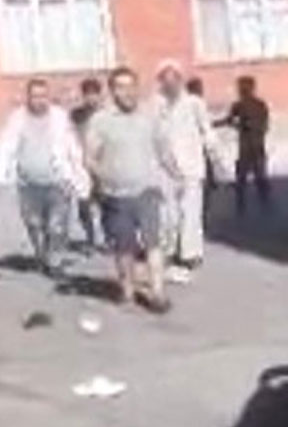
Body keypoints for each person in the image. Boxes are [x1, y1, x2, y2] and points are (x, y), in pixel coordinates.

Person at [85, 67, 180, 313]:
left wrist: (176, 175)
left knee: (153, 243)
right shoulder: (101, 120)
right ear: (112, 91)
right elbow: (89, 158)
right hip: (115, 194)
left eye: (131, 86)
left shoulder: (149, 116)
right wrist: (102, 178)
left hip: (147, 190)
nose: (127, 92)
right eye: (121, 87)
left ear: (137, 87)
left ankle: (157, 293)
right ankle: (127, 290)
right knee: (124, 247)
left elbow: (163, 150)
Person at [0, 78, 87, 276]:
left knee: (57, 225)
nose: (39, 100)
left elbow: (72, 146)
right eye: (35, 96)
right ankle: (42, 255)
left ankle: (55, 261)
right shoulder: (18, 119)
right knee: (34, 224)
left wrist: (79, 174)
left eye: (42, 96)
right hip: (28, 184)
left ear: (48, 97)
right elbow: (6, 147)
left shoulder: (59, 118)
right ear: (28, 98)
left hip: (57, 181)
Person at [154, 60, 215, 280]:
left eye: (174, 79)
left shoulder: (194, 103)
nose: (170, 84)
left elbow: (207, 131)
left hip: (191, 166)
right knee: (167, 213)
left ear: (180, 81)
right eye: (165, 80)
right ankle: (168, 251)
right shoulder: (155, 105)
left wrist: (215, 157)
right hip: (163, 167)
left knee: (190, 212)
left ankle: (190, 253)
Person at [216, 75, 271, 215]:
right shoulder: (259, 105)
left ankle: (244, 208)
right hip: (256, 145)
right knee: (258, 177)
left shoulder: (241, 105)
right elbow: (264, 126)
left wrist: (238, 126)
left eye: (241, 87)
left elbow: (230, 121)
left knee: (244, 178)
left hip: (249, 146)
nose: (239, 90)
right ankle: (264, 207)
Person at [70, 77, 104, 250]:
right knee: (83, 205)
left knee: (106, 204)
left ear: (99, 95)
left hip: (102, 165)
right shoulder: (76, 115)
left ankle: (109, 238)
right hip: (82, 166)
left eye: (94, 94)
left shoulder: (107, 115)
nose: (91, 98)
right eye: (87, 94)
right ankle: (91, 238)